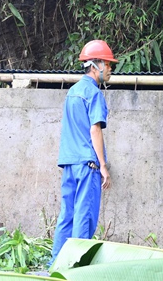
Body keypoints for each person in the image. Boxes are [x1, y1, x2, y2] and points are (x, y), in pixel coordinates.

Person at [50, 39, 115, 265]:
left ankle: (56, 264)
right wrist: (103, 166)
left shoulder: (73, 92)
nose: (110, 70)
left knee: (66, 215)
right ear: (95, 65)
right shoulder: (94, 94)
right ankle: (76, 267)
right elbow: (95, 129)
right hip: (88, 165)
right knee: (84, 217)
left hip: (69, 162)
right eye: (108, 65)